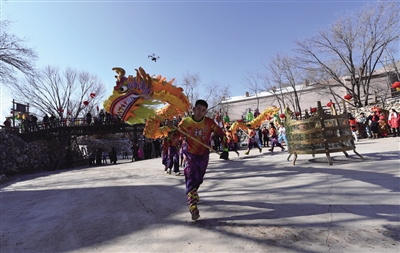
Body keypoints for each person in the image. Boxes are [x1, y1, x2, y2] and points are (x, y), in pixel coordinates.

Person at [175, 99, 228, 221]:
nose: (200, 112)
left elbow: (222, 134)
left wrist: (225, 149)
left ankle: (193, 193)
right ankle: (193, 207)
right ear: (194, 109)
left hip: (203, 155)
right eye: (198, 109)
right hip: (189, 155)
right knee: (191, 178)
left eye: (203, 110)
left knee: (198, 180)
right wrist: (173, 132)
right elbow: (176, 137)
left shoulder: (209, 123)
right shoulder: (185, 122)